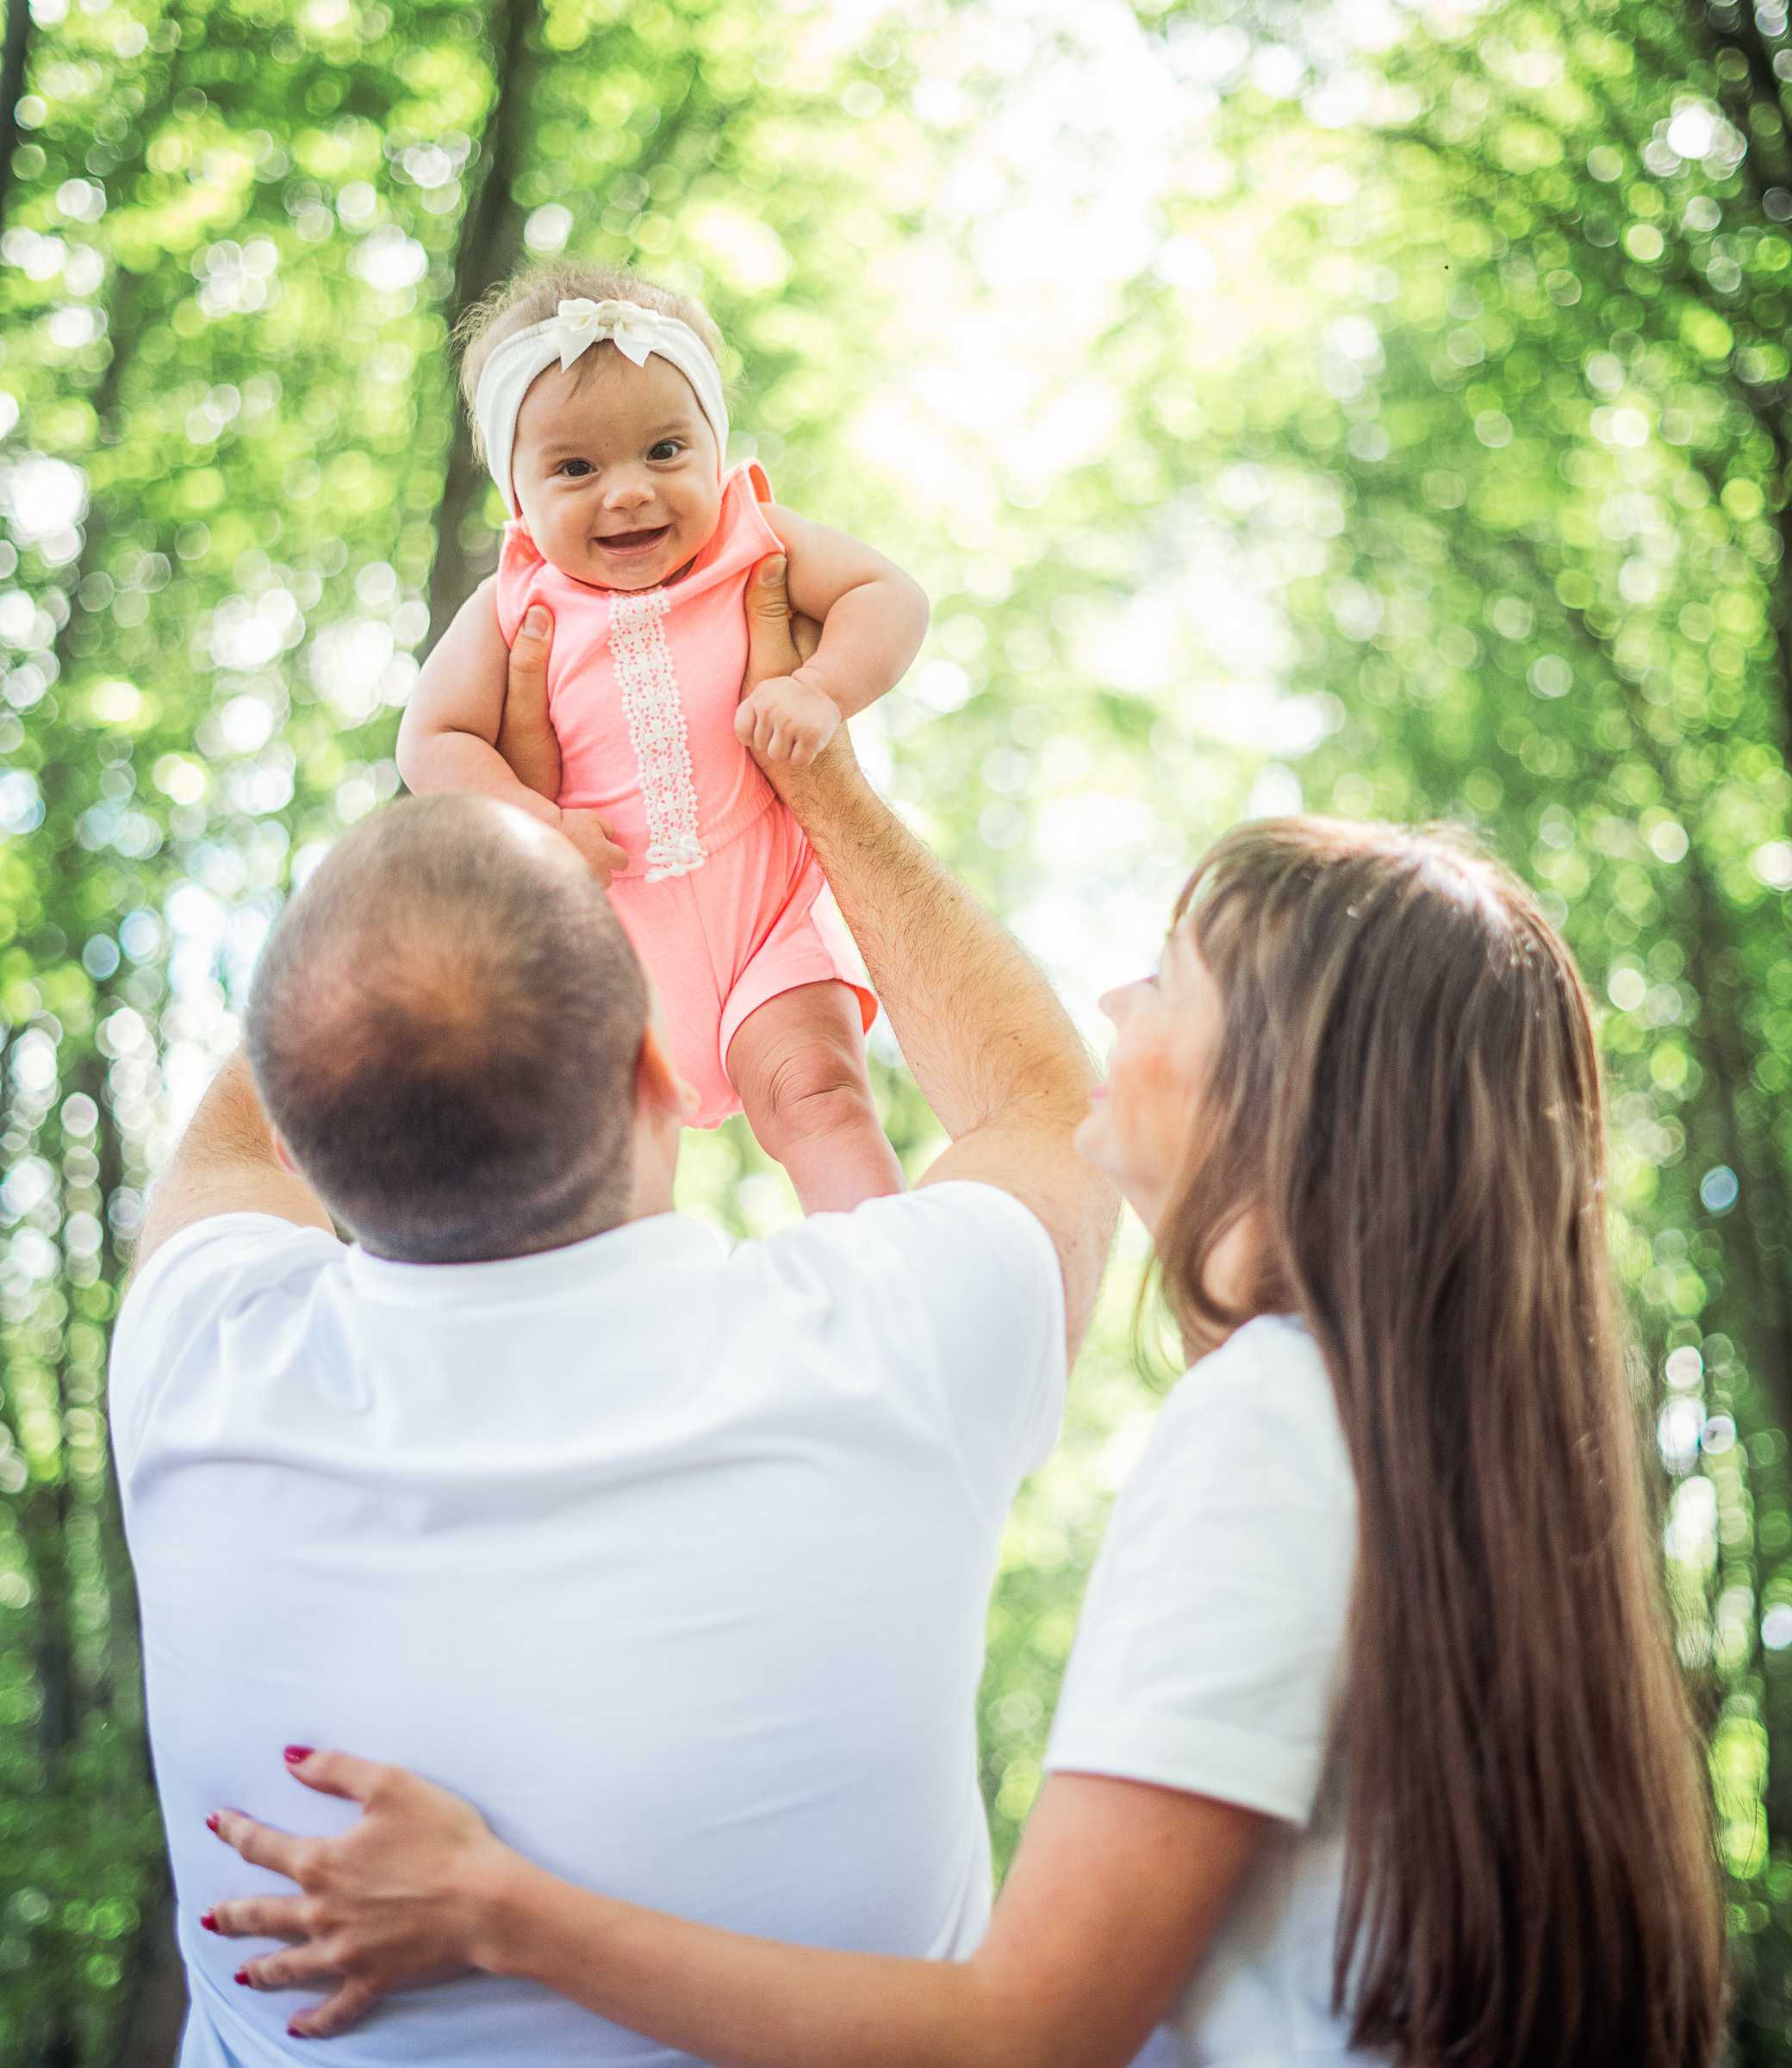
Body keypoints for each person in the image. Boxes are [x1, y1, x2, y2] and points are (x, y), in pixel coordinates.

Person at [208, 798, 1726, 2068]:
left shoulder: (1269, 1427)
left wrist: (495, 1908)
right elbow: (1019, 1098)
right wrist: (812, 786)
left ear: (1291, 1098)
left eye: (1166, 981)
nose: (1115, 1007)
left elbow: (1030, 2032)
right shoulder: (1376, 1427)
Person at [107, 560, 1117, 2068]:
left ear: (319, 1150)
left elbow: (240, 1140)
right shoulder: (882, 1350)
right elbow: (1041, 1101)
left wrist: (470, 810)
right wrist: (809, 772)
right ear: (663, 1079)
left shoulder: (191, 1369)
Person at [397, 261, 930, 1211]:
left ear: (714, 448)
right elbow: (433, 738)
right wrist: (528, 819)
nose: (629, 492)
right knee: (605, 1163)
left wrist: (820, 687)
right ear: (516, 494)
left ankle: (883, 1277)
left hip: (766, 916)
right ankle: (636, 1319)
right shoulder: (513, 599)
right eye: (575, 468)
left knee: (821, 1095)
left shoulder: (749, 538)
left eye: (665, 451)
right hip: (611, 944)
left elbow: (888, 596)